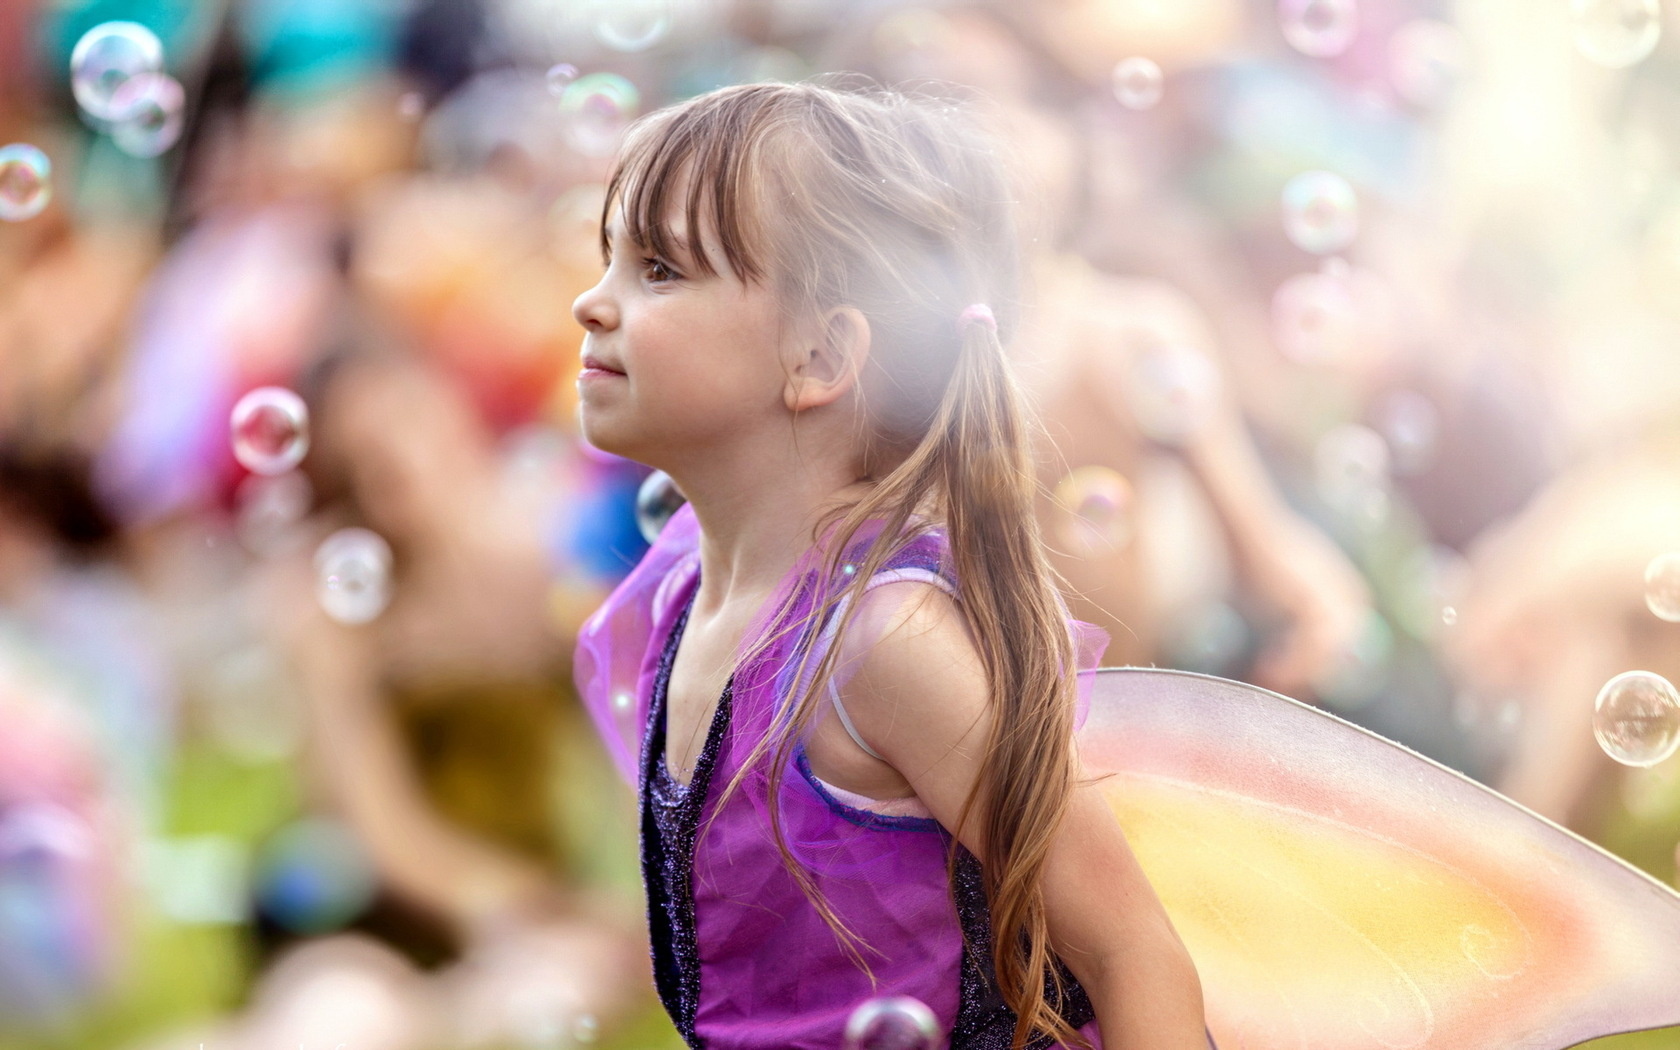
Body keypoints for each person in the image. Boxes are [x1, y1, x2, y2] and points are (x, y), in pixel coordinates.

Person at [569, 80, 1211, 1049]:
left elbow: (1133, 954)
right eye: (608, 257)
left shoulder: (884, 640)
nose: (591, 303)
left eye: (659, 268)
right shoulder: (680, 598)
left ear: (821, 357)